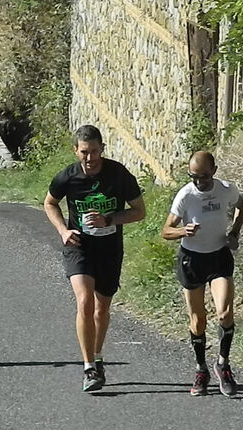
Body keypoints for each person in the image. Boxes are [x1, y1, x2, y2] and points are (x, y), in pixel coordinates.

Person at [44, 125, 146, 392]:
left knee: (102, 309)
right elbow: (50, 203)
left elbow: (139, 212)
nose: (90, 159)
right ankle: (89, 366)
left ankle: (98, 357)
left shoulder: (118, 174)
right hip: (80, 246)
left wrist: (109, 219)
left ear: (102, 149)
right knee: (85, 302)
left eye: (95, 152)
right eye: (84, 153)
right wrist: (63, 230)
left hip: (110, 248)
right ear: (75, 151)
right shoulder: (68, 176)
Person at [161, 151, 243, 397]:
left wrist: (235, 233)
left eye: (204, 177)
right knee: (198, 320)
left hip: (219, 256)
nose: (199, 182)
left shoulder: (226, 189)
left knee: (225, 312)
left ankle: (223, 364)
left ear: (215, 171)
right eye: (194, 177)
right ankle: (201, 370)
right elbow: (166, 230)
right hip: (192, 260)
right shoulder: (186, 195)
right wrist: (182, 231)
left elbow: (241, 206)